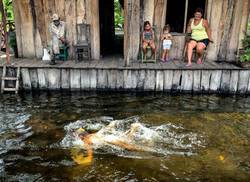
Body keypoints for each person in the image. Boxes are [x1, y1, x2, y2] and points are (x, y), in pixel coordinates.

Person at [71, 122, 154, 165]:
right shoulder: (91, 135)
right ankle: (133, 128)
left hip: (109, 140)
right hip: (108, 137)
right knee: (126, 141)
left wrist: (87, 160)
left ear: (82, 137)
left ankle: (151, 151)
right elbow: (101, 132)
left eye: (77, 136)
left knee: (130, 147)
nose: (77, 138)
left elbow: (90, 154)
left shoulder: (86, 141)